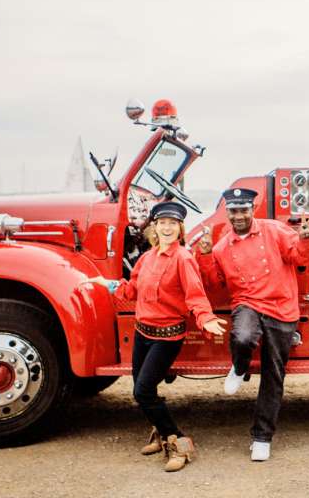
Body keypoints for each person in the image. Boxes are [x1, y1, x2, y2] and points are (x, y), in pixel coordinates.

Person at [85, 201, 228, 472]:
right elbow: (132, 290)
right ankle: (161, 436)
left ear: (180, 229)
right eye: (163, 223)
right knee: (141, 391)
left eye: (173, 224)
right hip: (143, 334)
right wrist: (108, 284)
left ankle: (179, 441)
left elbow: (195, 294)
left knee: (143, 391)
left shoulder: (184, 258)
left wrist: (206, 318)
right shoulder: (147, 258)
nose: (167, 227)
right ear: (155, 227)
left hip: (167, 337)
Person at [194, 187, 309, 461]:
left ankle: (262, 437)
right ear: (227, 213)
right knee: (242, 337)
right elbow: (215, 282)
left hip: (281, 306)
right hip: (247, 303)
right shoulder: (222, 247)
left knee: (274, 375)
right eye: (233, 211)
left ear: (252, 210)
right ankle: (239, 367)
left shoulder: (275, 230)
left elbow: (300, 257)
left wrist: (306, 239)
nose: (238, 216)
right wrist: (203, 255)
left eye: (243, 210)